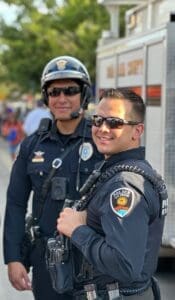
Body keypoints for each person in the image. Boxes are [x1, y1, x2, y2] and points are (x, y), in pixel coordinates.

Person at [3, 56, 103, 300]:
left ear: (83, 94)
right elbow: (16, 203)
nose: (62, 98)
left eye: (70, 90)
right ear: (46, 96)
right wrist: (14, 258)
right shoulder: (31, 145)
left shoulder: (101, 140)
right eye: (54, 91)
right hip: (46, 260)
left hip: (92, 259)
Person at [57, 88, 168, 299]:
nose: (102, 128)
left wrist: (77, 230)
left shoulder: (124, 185)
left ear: (137, 131)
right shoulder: (123, 170)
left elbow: (125, 265)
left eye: (115, 122)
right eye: (98, 120)